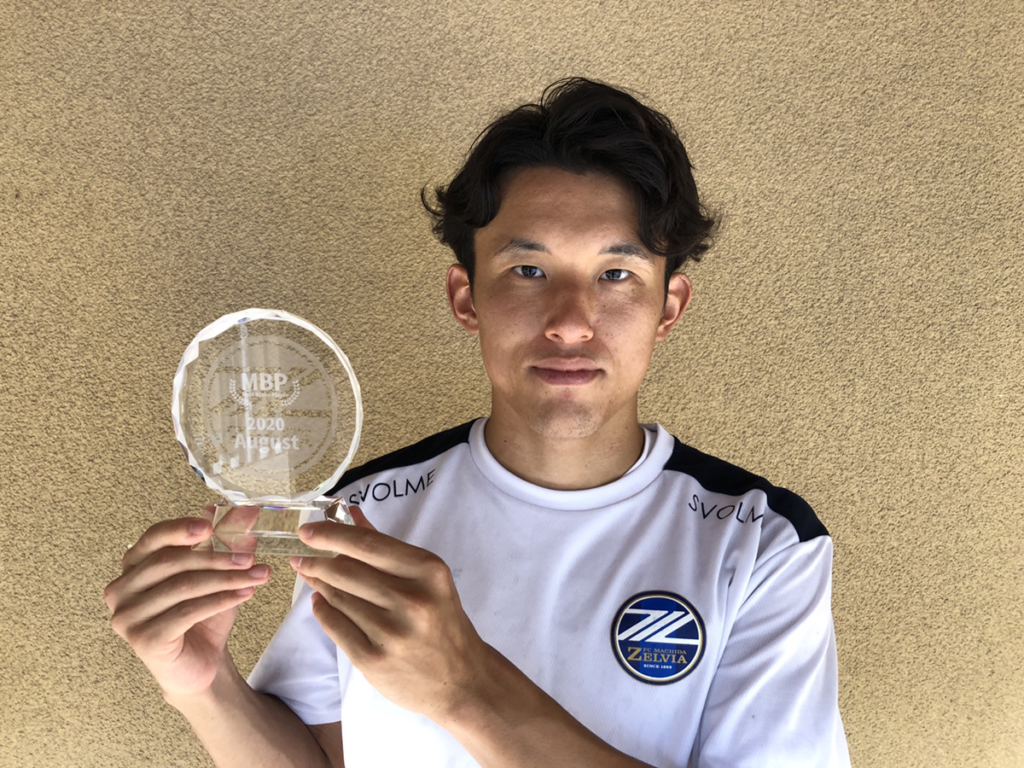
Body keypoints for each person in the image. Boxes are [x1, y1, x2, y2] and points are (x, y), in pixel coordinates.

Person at [104, 77, 851, 767]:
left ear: (669, 307)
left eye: (616, 275)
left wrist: (465, 690)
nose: (570, 321)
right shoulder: (359, 513)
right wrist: (201, 685)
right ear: (466, 298)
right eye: (528, 270)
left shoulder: (762, 541)